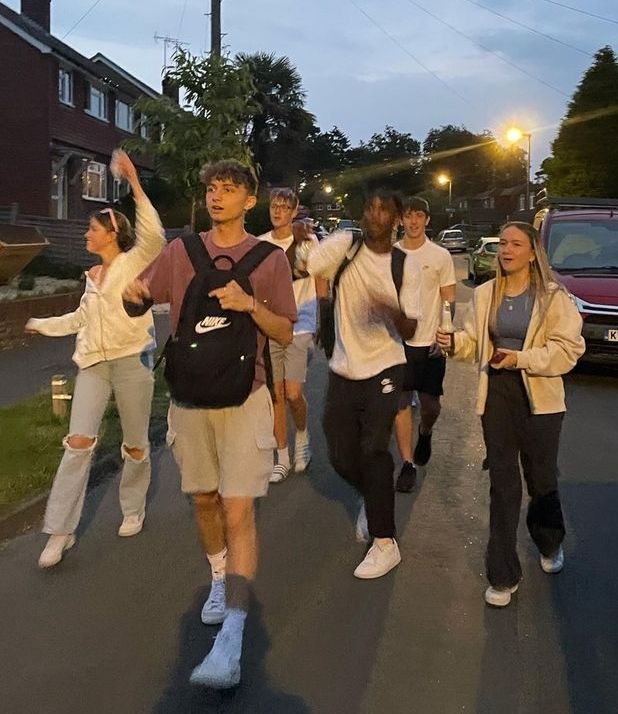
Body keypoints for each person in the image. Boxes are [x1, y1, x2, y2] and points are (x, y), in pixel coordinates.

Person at [123, 160, 296, 690]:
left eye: (230, 189)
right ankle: (219, 577)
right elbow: (141, 297)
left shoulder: (269, 260)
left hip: (247, 399)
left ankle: (232, 640)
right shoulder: (181, 252)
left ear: (250, 201)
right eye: (212, 189)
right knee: (203, 500)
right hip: (190, 399)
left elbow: (286, 333)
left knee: (238, 509)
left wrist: (249, 305)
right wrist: (130, 295)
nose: (217, 196)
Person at [26, 150, 165, 569]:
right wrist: (40, 323)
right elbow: (80, 319)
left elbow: (155, 234)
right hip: (93, 365)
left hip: (131, 362)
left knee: (136, 445)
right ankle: (61, 532)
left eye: (92, 226)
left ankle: (133, 505)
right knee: (79, 444)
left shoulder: (132, 263)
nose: (87, 231)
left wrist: (135, 182)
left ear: (111, 233)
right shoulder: (90, 278)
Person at [437, 222, 584, 608]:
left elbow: (568, 350)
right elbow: (474, 344)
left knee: (541, 478)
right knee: (503, 483)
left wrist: (521, 358)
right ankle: (502, 574)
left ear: (533, 253)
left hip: (541, 399)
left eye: (516, 244)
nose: (506, 250)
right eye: (503, 243)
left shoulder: (554, 298)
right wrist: (455, 344)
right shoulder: (485, 294)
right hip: (498, 396)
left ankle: (549, 541)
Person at [308, 189, 421, 579]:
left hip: (386, 366)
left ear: (396, 218)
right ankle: (372, 498)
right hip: (344, 367)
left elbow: (411, 326)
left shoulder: (405, 265)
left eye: (384, 208)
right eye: (370, 207)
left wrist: (388, 309)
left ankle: (385, 542)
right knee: (339, 452)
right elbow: (309, 265)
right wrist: (299, 240)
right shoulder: (346, 245)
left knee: (373, 449)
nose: (375, 213)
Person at [258, 189, 328, 482]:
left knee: (293, 393)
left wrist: (323, 318)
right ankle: (281, 457)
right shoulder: (260, 244)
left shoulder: (307, 241)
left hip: (301, 323)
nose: (278, 212)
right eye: (275, 206)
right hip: (271, 324)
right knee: (275, 394)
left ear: (294, 210)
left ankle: (302, 437)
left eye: (284, 207)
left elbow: (320, 279)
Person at [393, 197, 456, 493]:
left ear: (427, 220)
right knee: (401, 401)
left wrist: (445, 333)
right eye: (408, 216)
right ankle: (407, 463)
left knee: (430, 405)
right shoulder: (390, 254)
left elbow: (449, 298)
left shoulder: (440, 256)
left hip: (429, 342)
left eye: (419, 216)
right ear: (401, 220)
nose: (414, 221)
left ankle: (426, 431)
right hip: (398, 342)